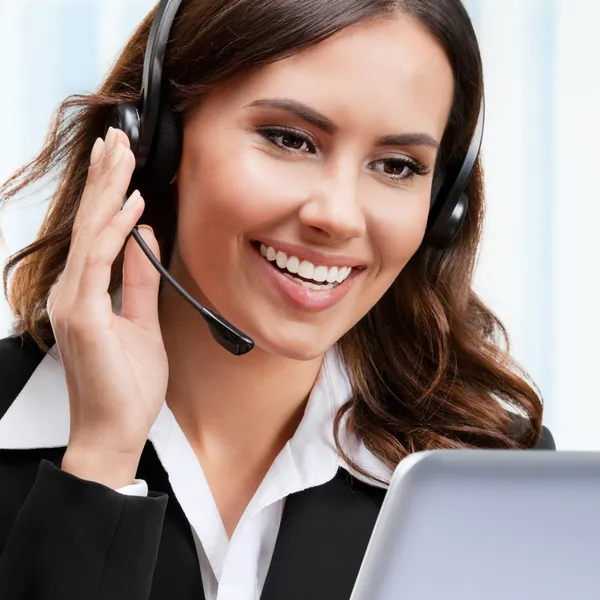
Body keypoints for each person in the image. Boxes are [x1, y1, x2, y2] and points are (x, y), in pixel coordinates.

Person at [0, 0, 555, 599]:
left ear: (445, 206)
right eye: (290, 139)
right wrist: (102, 460)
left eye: (397, 166)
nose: (338, 216)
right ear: (158, 139)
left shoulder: (493, 474)